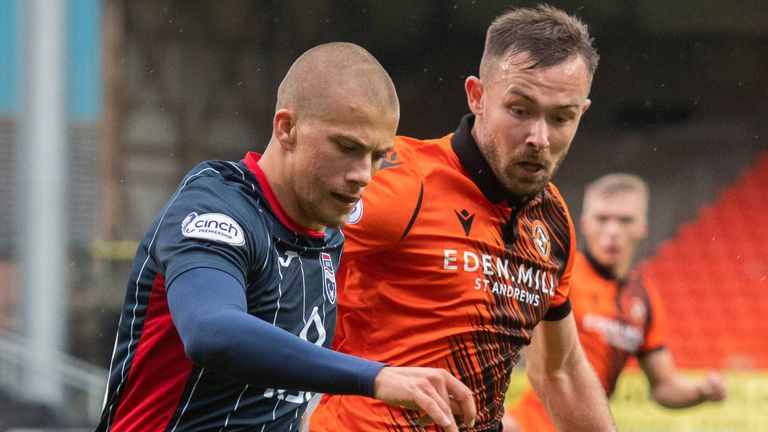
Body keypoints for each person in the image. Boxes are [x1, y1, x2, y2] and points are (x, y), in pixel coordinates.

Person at [96, 42, 476, 432]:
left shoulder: (329, 237)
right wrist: (377, 377)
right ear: (286, 128)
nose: (364, 174)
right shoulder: (217, 209)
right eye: (347, 147)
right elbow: (211, 331)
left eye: (378, 156)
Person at [311, 6, 616, 431]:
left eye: (560, 118)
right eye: (520, 109)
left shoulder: (553, 220)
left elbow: (560, 372)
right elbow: (272, 229)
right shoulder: (402, 181)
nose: (539, 138)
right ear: (477, 96)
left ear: (581, 113)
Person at [504, 173, 728, 432]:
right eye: (602, 219)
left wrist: (700, 392)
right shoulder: (559, 275)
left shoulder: (643, 298)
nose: (612, 231)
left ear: (642, 227)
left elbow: (663, 386)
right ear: (585, 223)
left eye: (624, 220)